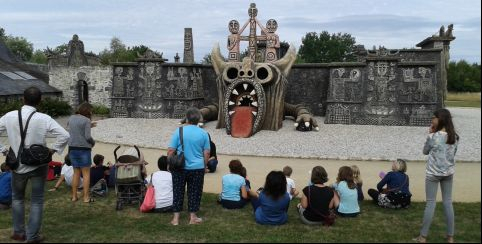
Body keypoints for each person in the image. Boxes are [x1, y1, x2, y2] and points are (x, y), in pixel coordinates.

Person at [0, 87, 70, 242]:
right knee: (37, 200)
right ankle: (32, 236)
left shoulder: (9, 116)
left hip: (17, 164)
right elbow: (65, 135)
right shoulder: (44, 118)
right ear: (40, 101)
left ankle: (19, 233)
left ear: (22, 99)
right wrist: (53, 150)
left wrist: (4, 149)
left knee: (17, 198)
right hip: (38, 164)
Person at [414, 109, 459, 244]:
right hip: (448, 173)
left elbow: (424, 151)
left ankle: (423, 237)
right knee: (448, 203)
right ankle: (450, 237)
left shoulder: (433, 137)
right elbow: (453, 153)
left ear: (440, 119)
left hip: (433, 174)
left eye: (434, 118)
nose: (431, 120)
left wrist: (430, 135)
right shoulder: (455, 137)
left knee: (430, 203)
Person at [167, 108, 210, 225]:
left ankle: (175, 219)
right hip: (197, 167)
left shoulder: (179, 131)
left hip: (179, 166)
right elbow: (206, 153)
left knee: (177, 191)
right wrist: (204, 166)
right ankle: (193, 217)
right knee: (195, 192)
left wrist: (168, 164)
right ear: (198, 119)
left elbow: (171, 150)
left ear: (186, 118)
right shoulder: (204, 133)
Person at [68, 102, 96, 203]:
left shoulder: (71, 118)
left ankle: (74, 196)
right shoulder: (87, 120)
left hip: (72, 148)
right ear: (87, 110)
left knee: (76, 173)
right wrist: (93, 143)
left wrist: (89, 126)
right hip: (83, 149)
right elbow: (88, 137)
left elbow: (74, 130)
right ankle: (86, 197)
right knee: (86, 174)